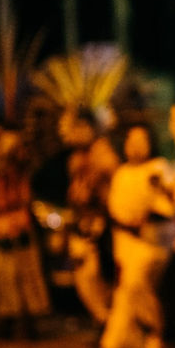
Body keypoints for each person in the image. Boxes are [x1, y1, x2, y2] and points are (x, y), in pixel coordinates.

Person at [100, 125, 175, 348]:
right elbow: (115, 207)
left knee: (136, 284)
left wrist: (160, 195)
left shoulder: (159, 168)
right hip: (124, 240)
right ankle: (137, 337)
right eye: (131, 140)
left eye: (141, 140)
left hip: (151, 241)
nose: (135, 145)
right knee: (127, 291)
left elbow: (171, 205)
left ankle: (158, 331)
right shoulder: (122, 173)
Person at [0, 123, 51, 339]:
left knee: (26, 274)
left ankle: (29, 322)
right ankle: (6, 320)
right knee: (2, 276)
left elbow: (29, 166)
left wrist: (14, 147)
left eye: (0, 138)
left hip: (18, 222)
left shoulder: (20, 161)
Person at [59, 109, 119, 327]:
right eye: (75, 128)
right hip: (82, 223)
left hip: (101, 224)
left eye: (82, 128)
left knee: (100, 275)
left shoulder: (103, 154)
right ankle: (102, 319)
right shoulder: (75, 158)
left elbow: (112, 189)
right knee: (84, 277)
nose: (77, 134)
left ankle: (109, 321)